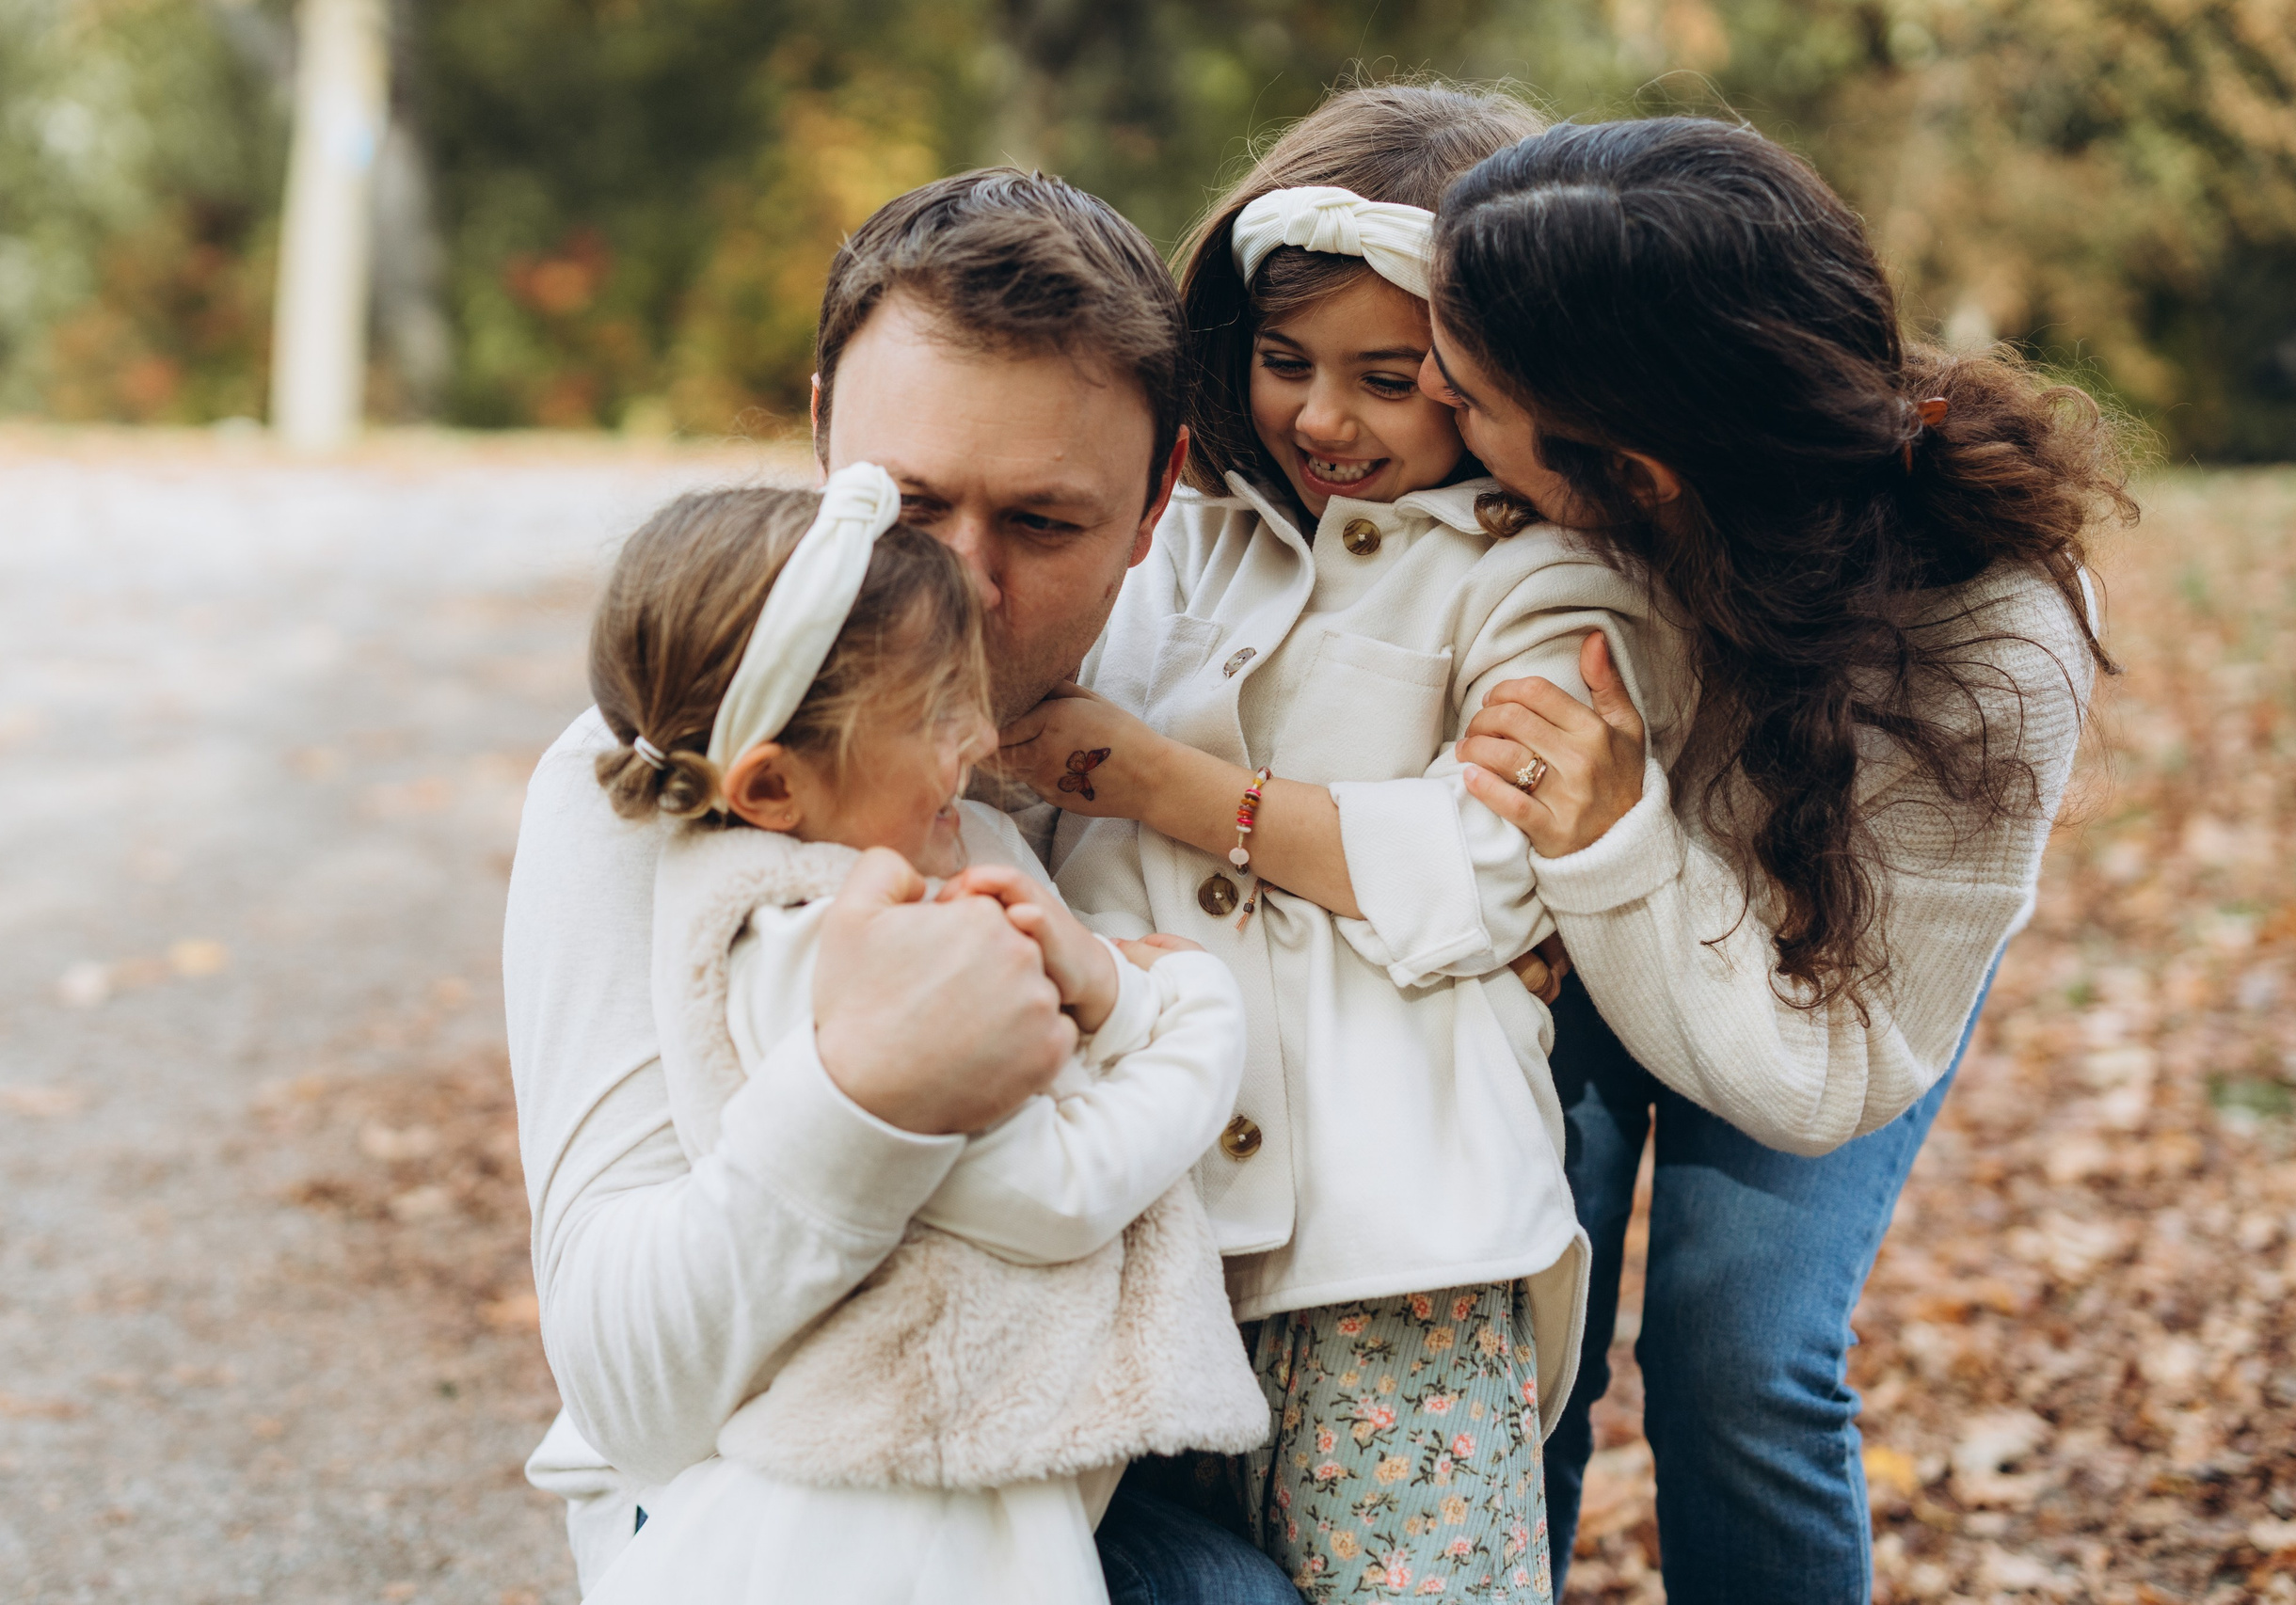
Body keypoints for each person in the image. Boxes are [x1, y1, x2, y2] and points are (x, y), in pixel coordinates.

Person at [506, 168, 1309, 1601]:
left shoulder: (1228, 701)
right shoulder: (661, 768)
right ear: (820, 432)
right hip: (774, 1512)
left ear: (1158, 497)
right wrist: (861, 1094)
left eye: (1047, 524)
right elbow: (627, 1392)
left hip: (1117, 1443)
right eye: (905, 504)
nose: (962, 585)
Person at [1419, 118, 2129, 1600]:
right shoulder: (1531, 489)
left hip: (1834, 983)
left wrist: (1616, 838)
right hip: (1591, 908)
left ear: (1635, 470)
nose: (1427, 395)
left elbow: (1835, 1067)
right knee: (1519, 1320)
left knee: (1740, 1347)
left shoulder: (1996, 640)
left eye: (1469, 391)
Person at [1000, 85, 1690, 1601]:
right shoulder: (1185, 537)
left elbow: (1489, 864)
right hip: (1141, 1211)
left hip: (1395, 1249)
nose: (1322, 417)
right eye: (1283, 361)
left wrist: (1172, 788)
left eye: (1391, 376)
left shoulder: (1542, 582)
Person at [567, 469, 1267, 1605]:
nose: (981, 733)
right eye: (940, 709)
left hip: (921, 1487)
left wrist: (1103, 992)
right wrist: (1192, 1017)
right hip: (884, 1528)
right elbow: (1059, 1189)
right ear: (772, 786)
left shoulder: (806, 897)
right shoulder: (837, 947)